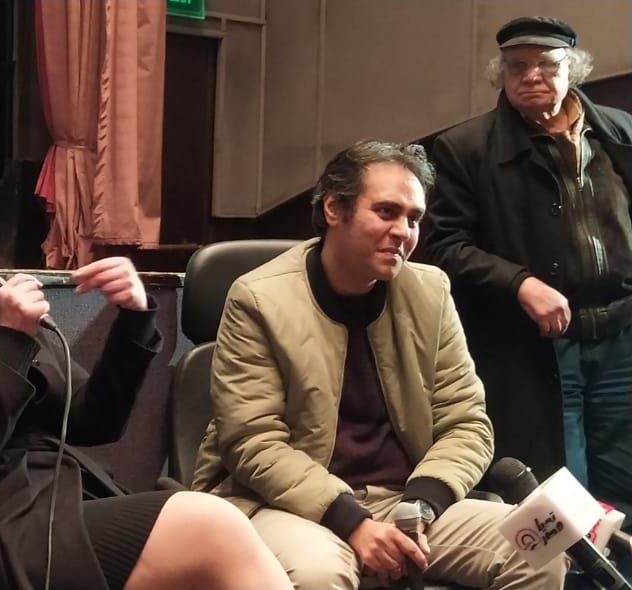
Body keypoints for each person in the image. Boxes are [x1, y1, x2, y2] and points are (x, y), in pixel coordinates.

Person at [0, 147, 292, 590]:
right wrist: (11, 342)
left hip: (45, 503)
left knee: (205, 544)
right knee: (209, 526)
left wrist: (133, 321)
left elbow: (93, 421)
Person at [193, 139, 566, 589]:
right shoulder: (259, 298)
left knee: (541, 547)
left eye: (414, 218)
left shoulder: (430, 292)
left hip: (407, 501)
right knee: (318, 574)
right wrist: (352, 522)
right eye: (387, 212)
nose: (403, 231)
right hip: (287, 506)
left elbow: (467, 423)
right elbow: (253, 442)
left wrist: (423, 504)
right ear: (334, 208)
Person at [425, 16, 632, 530]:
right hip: (537, 349)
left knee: (625, 483)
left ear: (573, 70)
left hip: (621, 337)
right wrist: (520, 282)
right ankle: (571, 572)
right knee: (561, 492)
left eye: (546, 64)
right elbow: (444, 247)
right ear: (501, 75)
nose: (531, 75)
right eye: (517, 66)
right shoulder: (464, 148)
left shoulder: (621, 132)